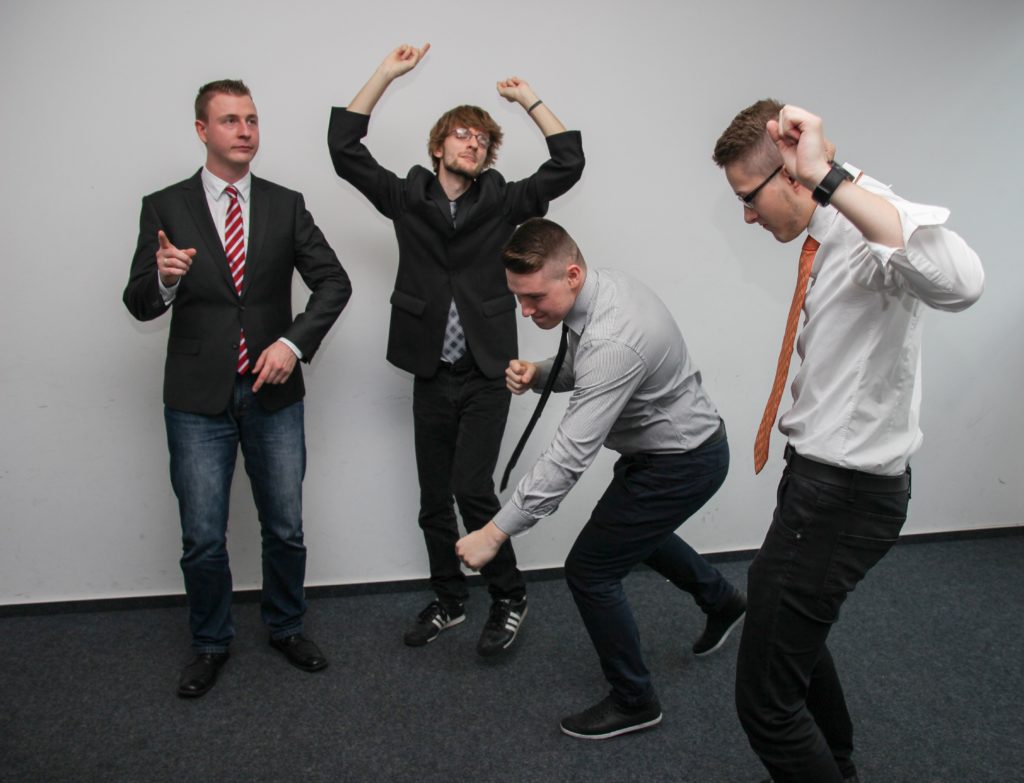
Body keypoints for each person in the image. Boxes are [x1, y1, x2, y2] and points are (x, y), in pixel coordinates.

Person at [712, 101, 984, 782]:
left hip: (843, 496)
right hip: (819, 484)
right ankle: (837, 761)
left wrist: (830, 175)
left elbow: (963, 282)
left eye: (749, 197)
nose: (747, 216)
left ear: (794, 177)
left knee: (765, 704)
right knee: (784, 625)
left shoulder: (862, 218)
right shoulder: (828, 231)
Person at [328, 44, 584, 656]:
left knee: (473, 488)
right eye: (461, 135)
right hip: (429, 371)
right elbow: (343, 150)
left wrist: (529, 102)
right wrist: (387, 73)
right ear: (439, 145)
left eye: (481, 139)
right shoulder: (406, 197)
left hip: (487, 371)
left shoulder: (501, 201)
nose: (472, 144)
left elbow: (568, 161)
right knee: (431, 499)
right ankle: (449, 599)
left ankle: (509, 597)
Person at [456, 218, 746, 739]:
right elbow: (582, 366)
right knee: (636, 537)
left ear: (570, 274)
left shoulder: (615, 334)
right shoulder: (598, 289)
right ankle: (723, 600)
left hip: (684, 460)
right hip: (665, 453)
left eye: (534, 298)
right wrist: (541, 372)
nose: (526, 311)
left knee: (590, 570)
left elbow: (569, 455)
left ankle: (635, 700)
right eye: (518, 298)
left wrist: (494, 533)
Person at [123, 79, 352, 698]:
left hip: (274, 393)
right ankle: (210, 642)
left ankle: (285, 626)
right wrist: (165, 281)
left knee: (284, 526)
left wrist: (292, 344)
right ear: (202, 131)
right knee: (202, 535)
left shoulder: (286, 204)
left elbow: (334, 282)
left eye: (251, 119)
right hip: (197, 399)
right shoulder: (165, 206)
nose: (244, 130)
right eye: (229, 120)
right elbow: (138, 302)